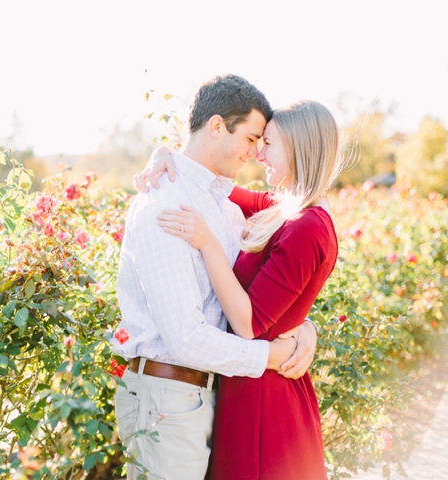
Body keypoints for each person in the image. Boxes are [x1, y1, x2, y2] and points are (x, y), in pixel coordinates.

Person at [110, 74, 320, 480]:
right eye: (251, 138)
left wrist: (304, 328)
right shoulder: (165, 205)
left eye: (263, 142)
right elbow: (185, 339)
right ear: (217, 126)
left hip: (207, 395)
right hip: (167, 399)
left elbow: (260, 293)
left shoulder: (225, 207)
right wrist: (272, 357)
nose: (256, 153)